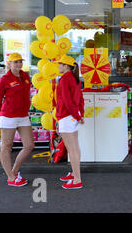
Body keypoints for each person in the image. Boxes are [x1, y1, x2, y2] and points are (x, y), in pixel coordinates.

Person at [0, 52, 34, 187]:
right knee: (6, 146)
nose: (18, 64)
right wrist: (1, 116)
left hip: (23, 116)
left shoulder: (26, 76)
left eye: (20, 61)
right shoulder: (4, 79)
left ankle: (14, 171)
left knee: (29, 146)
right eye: (15, 62)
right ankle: (11, 178)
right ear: (9, 64)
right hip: (8, 117)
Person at [56, 55, 84, 189]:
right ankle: (74, 174)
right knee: (75, 147)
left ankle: (77, 180)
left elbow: (67, 102)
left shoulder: (65, 79)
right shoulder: (75, 78)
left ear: (66, 66)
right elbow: (80, 98)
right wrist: (79, 114)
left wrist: (77, 116)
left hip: (66, 116)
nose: (58, 66)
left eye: (60, 64)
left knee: (72, 149)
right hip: (72, 116)